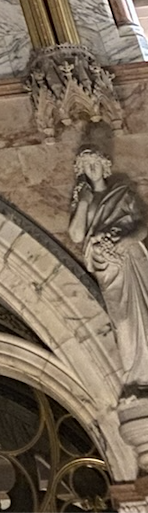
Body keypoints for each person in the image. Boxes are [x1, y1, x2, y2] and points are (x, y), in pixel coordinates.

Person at [69, 148, 148, 389]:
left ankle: (145, 375)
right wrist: (83, 201)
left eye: (95, 162)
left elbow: (143, 227)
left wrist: (127, 240)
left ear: (105, 166)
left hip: (129, 257)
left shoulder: (123, 194)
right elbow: (75, 235)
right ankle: (135, 375)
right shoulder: (84, 200)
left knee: (141, 315)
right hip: (106, 264)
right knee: (122, 320)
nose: (91, 167)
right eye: (86, 165)